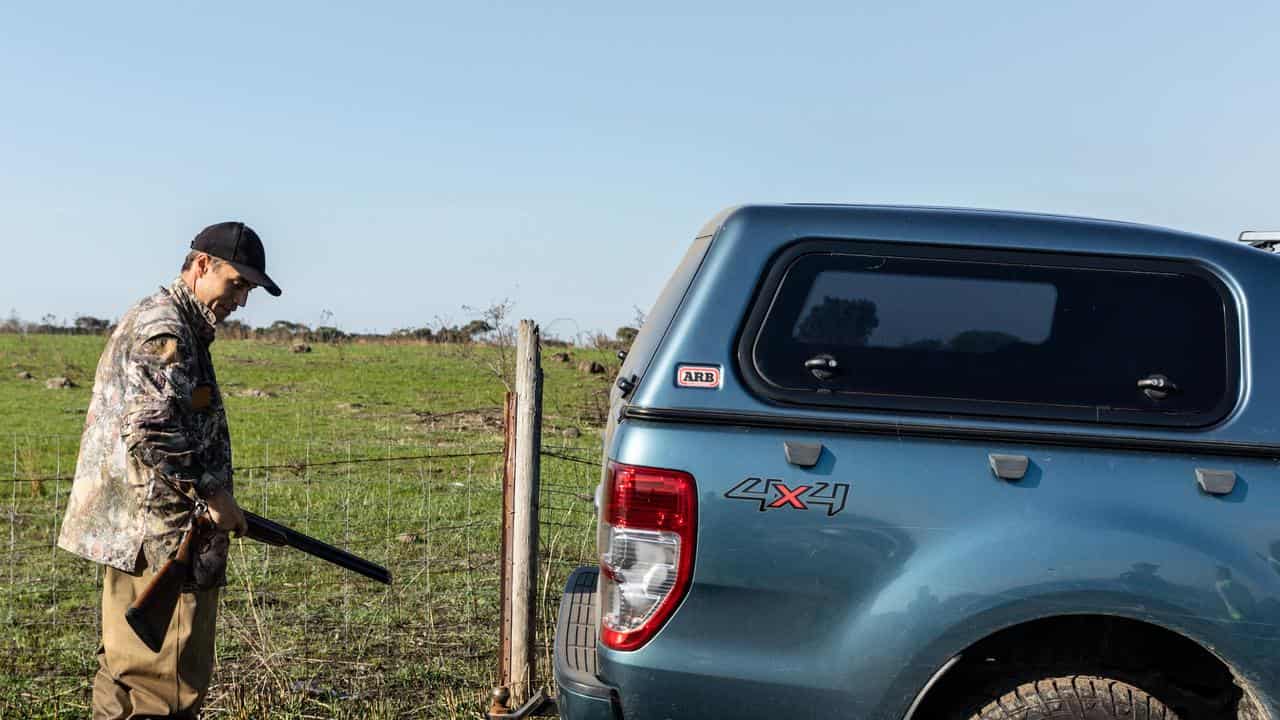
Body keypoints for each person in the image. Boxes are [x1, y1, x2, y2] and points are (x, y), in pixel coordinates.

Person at [57, 221, 282, 719]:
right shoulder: (167, 329)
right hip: (162, 536)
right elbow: (151, 429)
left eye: (249, 289)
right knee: (166, 686)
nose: (241, 300)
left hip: (135, 533)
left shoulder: (170, 321)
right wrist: (213, 494)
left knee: (123, 676)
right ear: (202, 265)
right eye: (237, 283)